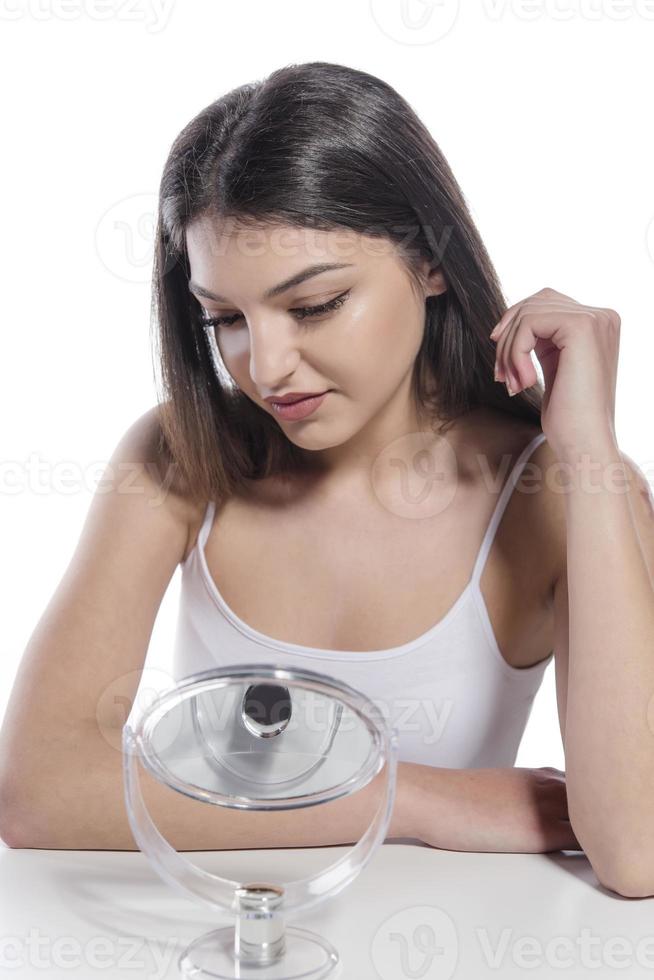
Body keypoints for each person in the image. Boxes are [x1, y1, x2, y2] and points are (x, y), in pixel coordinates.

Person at [0, 61, 581, 861]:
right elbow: (40, 791)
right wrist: (405, 797)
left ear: (432, 260)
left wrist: (590, 452)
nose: (265, 366)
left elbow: (636, 839)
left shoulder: (546, 490)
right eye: (224, 319)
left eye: (314, 306)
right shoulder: (181, 457)